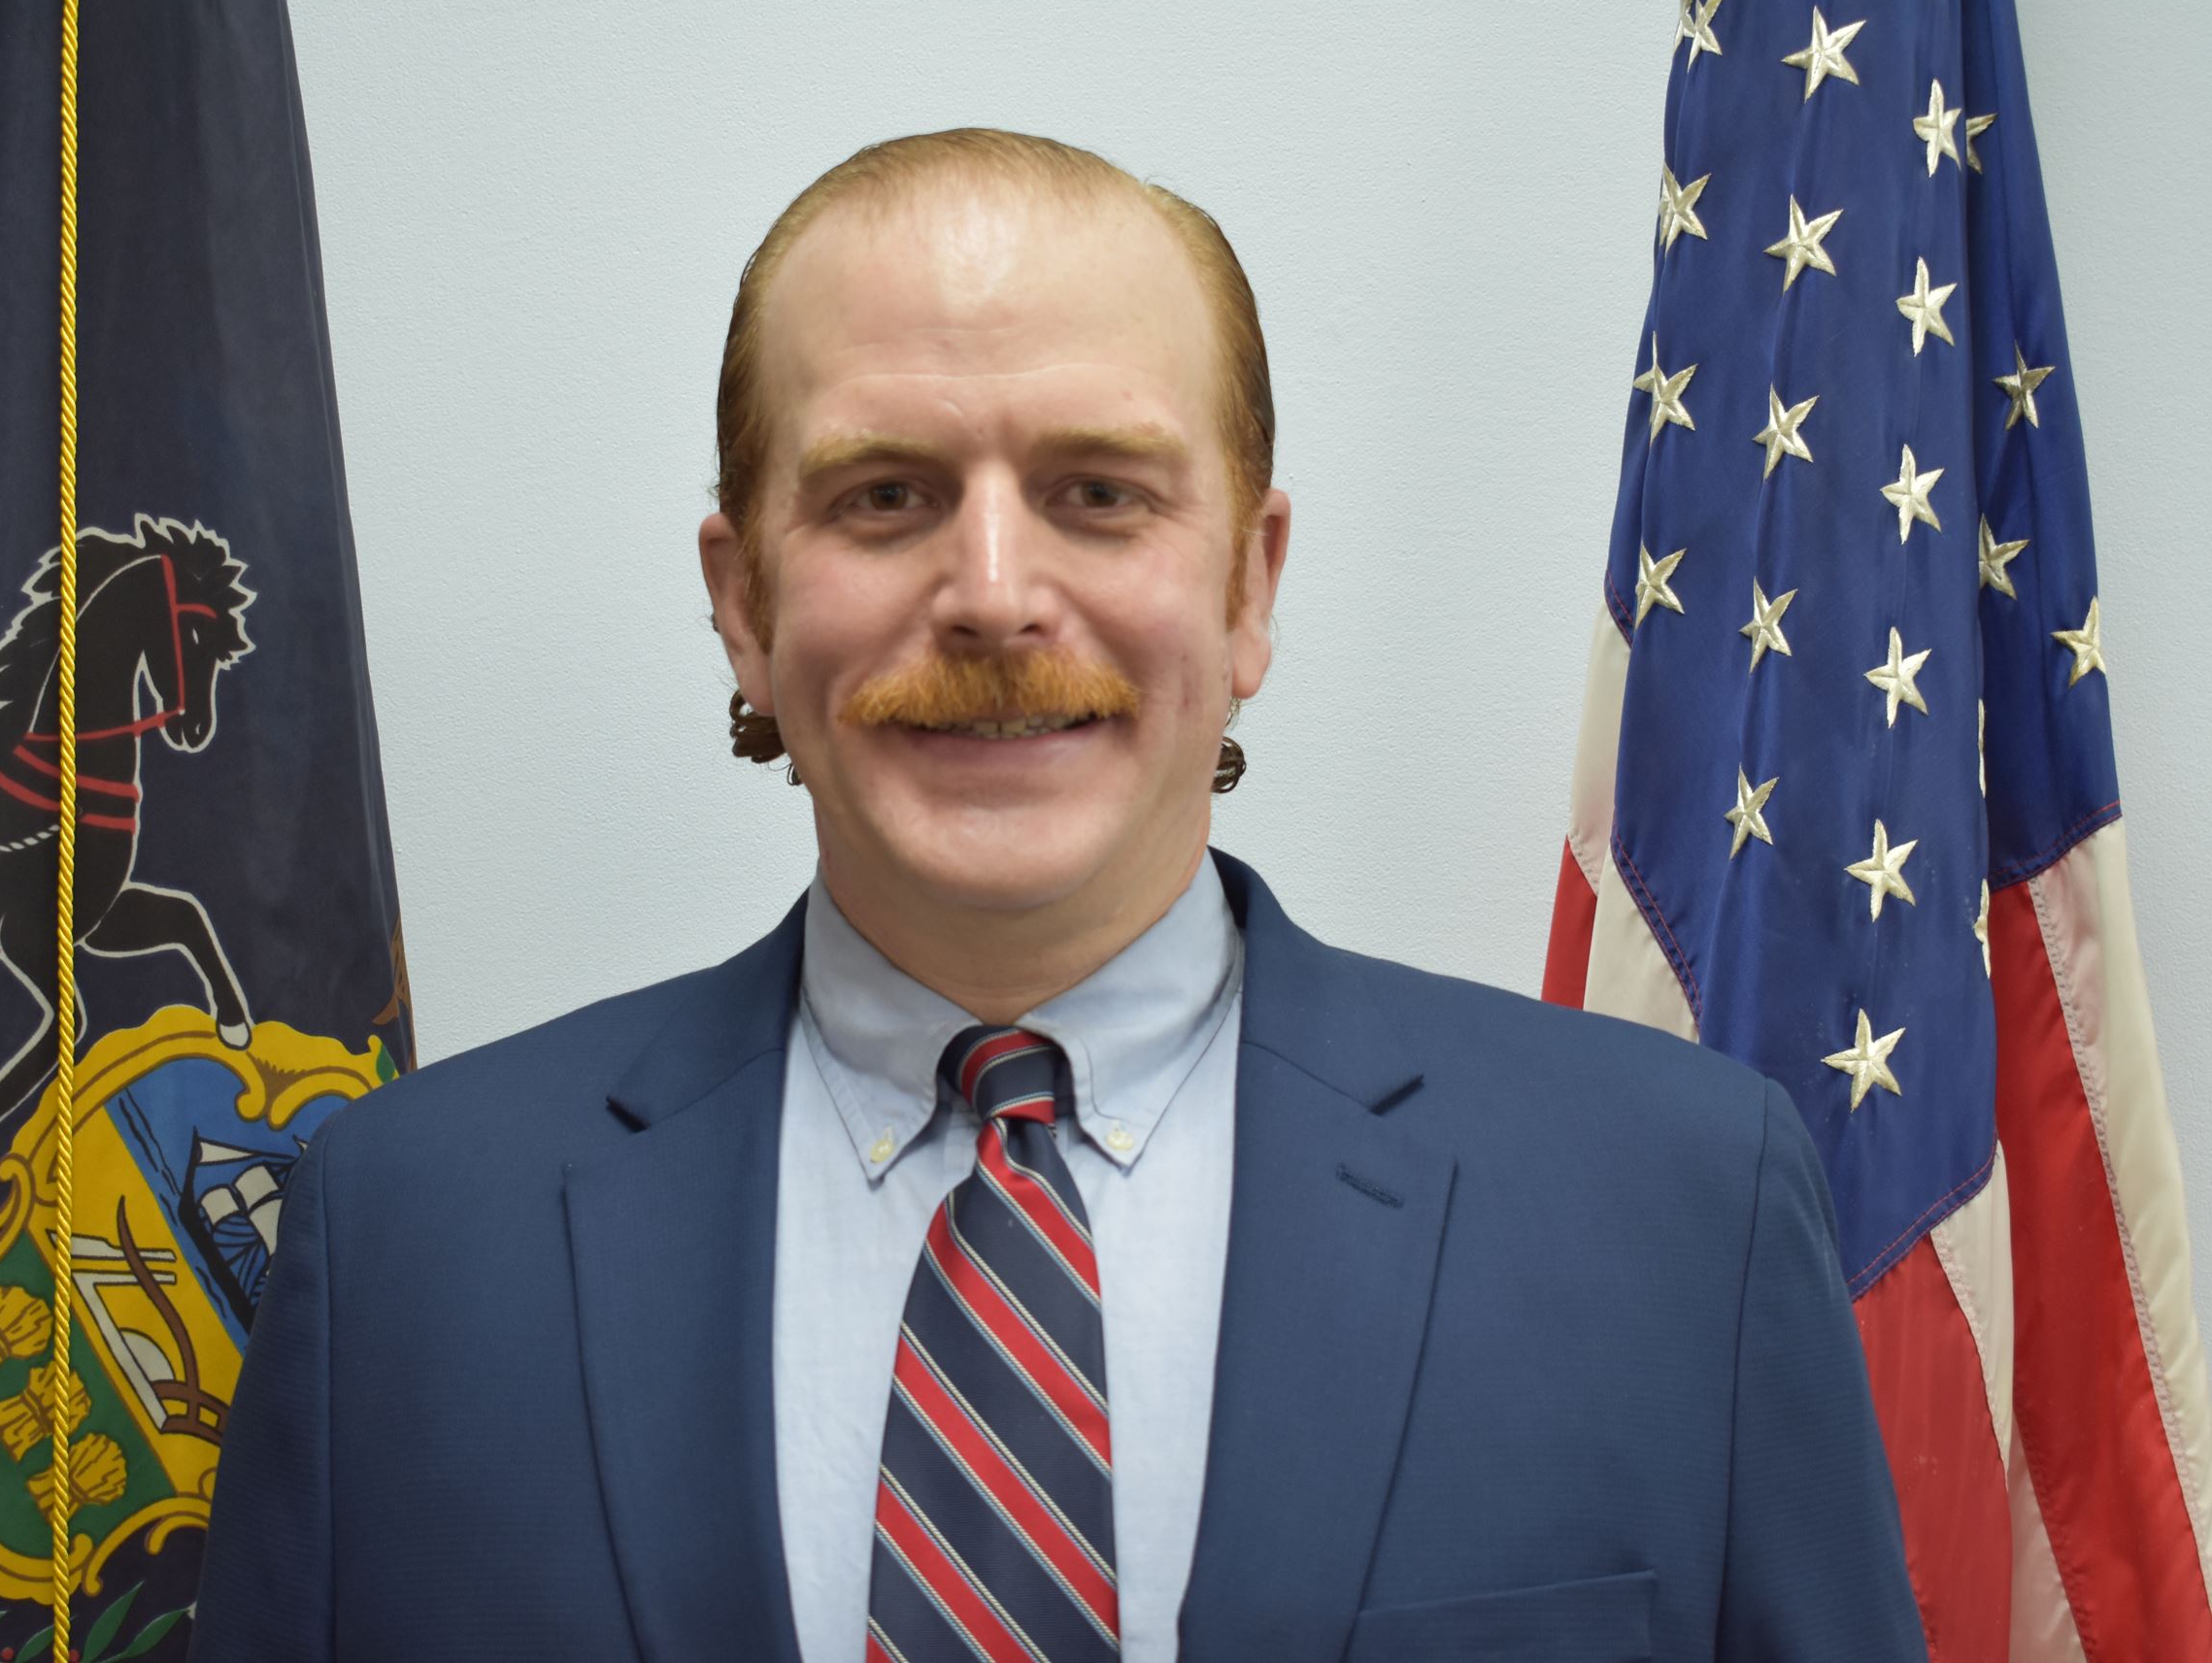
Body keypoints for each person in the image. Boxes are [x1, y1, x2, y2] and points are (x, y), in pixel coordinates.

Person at [187, 126, 1927, 1663]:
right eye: (886, 497)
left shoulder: (1678, 1209)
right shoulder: (402, 1238)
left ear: (1250, 582)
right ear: (744, 603)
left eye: (1099, 493)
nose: (996, 594)